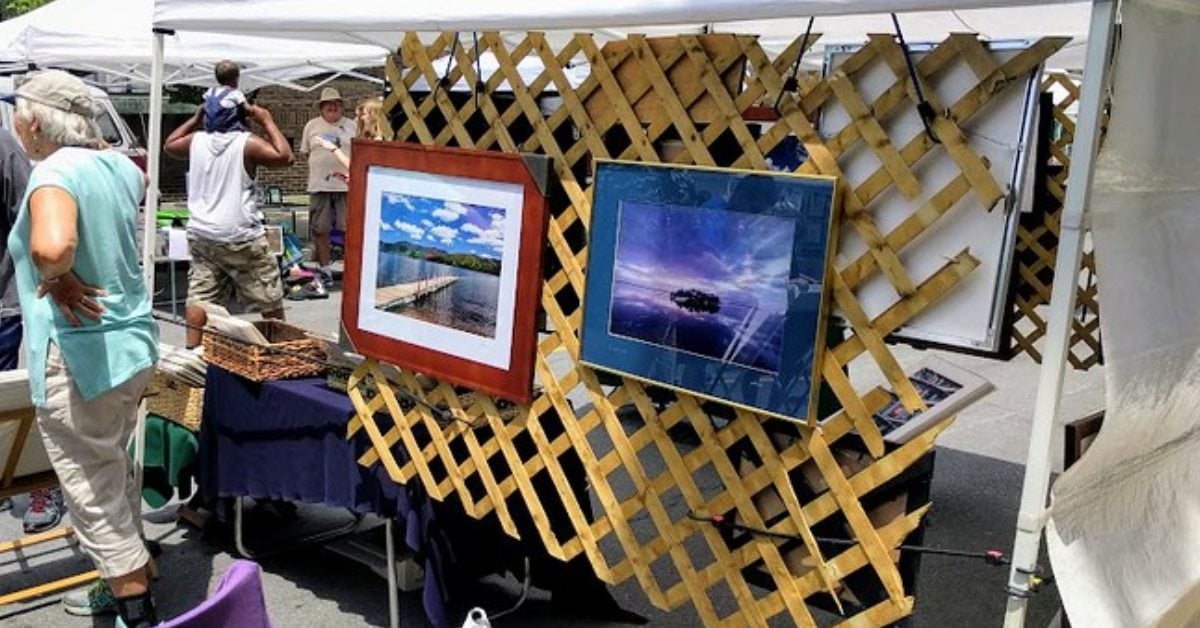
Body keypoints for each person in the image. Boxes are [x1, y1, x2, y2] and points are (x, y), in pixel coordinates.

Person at [4, 69, 160, 626]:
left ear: (37, 121)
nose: (17, 127)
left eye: (19, 115)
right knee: (113, 466)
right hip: (130, 341)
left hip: (80, 353)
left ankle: (134, 603)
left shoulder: (54, 171)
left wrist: (57, 275)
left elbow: (53, 246)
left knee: (92, 489)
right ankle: (136, 566)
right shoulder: (118, 166)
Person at [163, 91, 294, 350]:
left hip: (204, 234)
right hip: (240, 235)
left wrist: (196, 118)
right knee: (268, 297)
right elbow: (285, 156)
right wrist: (267, 120)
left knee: (200, 295)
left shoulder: (196, 141)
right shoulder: (246, 142)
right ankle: (280, 352)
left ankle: (192, 352)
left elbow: (170, 144)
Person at [300, 87, 355, 286]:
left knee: (349, 230)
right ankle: (325, 270)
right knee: (320, 229)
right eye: (328, 104)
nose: (333, 107)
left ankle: (352, 271)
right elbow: (307, 153)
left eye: (336, 103)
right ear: (321, 108)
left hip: (347, 187)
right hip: (319, 185)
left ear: (342, 106)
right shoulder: (311, 125)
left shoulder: (352, 126)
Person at [310, 95, 385, 169]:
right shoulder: (365, 137)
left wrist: (334, 149)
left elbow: (358, 168)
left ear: (374, 117)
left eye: (363, 115)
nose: (358, 119)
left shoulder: (377, 142)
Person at [201, 59, 249, 134]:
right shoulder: (235, 93)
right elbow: (248, 109)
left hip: (210, 131)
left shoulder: (210, 91)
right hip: (230, 131)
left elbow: (204, 106)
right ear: (235, 78)